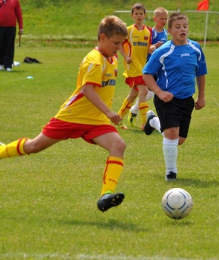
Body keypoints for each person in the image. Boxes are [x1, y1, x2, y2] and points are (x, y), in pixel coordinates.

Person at [0, 15, 128, 212]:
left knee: (118, 145)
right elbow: (87, 90)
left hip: (95, 121)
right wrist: (110, 112)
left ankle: (106, 194)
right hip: (72, 116)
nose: (118, 47)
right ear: (102, 37)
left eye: (121, 44)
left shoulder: (112, 57)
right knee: (34, 146)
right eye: (116, 43)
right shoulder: (94, 61)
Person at [142, 12, 207, 181]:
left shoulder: (195, 48)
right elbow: (147, 74)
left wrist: (201, 97)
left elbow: (201, 73)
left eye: (185, 26)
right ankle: (171, 172)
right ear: (169, 31)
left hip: (187, 99)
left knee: (179, 140)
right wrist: (159, 92)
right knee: (171, 134)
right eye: (177, 27)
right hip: (167, 98)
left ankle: (153, 121)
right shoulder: (163, 51)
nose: (182, 29)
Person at [128, 7, 169, 127]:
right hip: (151, 67)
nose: (164, 20)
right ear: (155, 19)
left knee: (149, 93)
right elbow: (148, 47)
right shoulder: (152, 32)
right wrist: (154, 47)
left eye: (166, 18)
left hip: (161, 67)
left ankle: (135, 112)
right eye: (161, 18)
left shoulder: (166, 32)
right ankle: (140, 116)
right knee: (148, 93)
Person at [117, 3, 153, 130]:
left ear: (144, 15)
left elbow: (148, 48)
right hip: (132, 66)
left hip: (143, 66)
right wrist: (126, 57)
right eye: (136, 14)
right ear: (132, 15)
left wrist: (152, 49)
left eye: (141, 13)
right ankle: (145, 123)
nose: (139, 16)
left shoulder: (149, 31)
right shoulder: (129, 30)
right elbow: (120, 45)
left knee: (133, 94)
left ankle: (119, 117)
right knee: (144, 91)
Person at [0, 0, 23, 72]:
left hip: (11, 27)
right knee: (0, 45)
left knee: (9, 46)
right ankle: (1, 64)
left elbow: (19, 14)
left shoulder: (15, 1)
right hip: (0, 27)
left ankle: (8, 65)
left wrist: (21, 27)